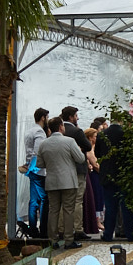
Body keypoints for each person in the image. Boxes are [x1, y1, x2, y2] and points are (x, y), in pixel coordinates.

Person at [37, 117, 86, 249]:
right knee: (68, 210)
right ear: (61, 127)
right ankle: (69, 240)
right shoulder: (69, 141)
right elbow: (81, 159)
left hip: (51, 181)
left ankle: (53, 240)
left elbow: (39, 164)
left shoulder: (43, 144)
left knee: (53, 210)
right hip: (68, 181)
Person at [96, 121, 133, 241]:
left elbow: (97, 154)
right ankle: (130, 233)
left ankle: (108, 234)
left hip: (107, 175)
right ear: (121, 121)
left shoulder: (102, 135)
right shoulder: (127, 134)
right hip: (124, 174)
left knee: (110, 207)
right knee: (127, 207)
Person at [61, 106, 92, 241]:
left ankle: (61, 229)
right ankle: (78, 229)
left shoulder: (59, 131)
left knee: (63, 201)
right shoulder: (76, 131)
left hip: (63, 170)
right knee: (77, 200)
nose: (77, 118)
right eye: (76, 116)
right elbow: (89, 146)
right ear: (71, 117)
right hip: (78, 169)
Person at [22, 107, 49, 237]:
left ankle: (33, 227)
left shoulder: (29, 131)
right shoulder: (40, 132)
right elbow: (39, 151)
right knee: (44, 199)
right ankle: (42, 228)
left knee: (33, 200)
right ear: (43, 117)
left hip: (30, 168)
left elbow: (29, 151)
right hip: (38, 169)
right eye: (47, 117)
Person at [82, 127, 101, 235]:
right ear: (90, 137)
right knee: (95, 197)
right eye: (95, 136)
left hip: (93, 173)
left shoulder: (92, 147)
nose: (96, 138)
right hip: (94, 175)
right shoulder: (89, 149)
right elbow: (94, 163)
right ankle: (96, 221)